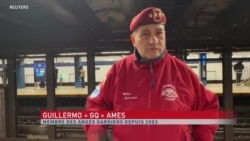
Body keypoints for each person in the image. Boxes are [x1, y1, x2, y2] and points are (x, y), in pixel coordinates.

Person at [85, 7, 219, 141]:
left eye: (159, 33)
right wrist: (96, 134)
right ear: (133, 40)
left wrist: (202, 138)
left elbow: (208, 106)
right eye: (145, 34)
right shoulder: (119, 71)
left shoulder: (183, 73)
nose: (153, 40)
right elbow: (96, 105)